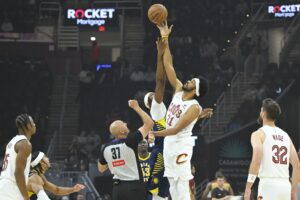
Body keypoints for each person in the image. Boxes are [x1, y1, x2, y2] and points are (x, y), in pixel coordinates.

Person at [151, 21, 213, 200]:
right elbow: (168, 65)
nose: (188, 81)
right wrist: (165, 38)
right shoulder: (178, 91)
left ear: (196, 90)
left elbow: (178, 129)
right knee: (172, 185)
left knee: (183, 187)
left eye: (192, 82)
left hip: (180, 146)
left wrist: (156, 133)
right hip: (170, 144)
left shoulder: (194, 107)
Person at [244, 98, 300, 200]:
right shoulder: (285, 135)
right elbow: (297, 165)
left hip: (268, 186)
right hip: (285, 186)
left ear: (264, 113)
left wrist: (248, 187)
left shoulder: (258, 134)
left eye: (261, 110)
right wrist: (293, 191)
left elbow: (256, 161)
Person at [98, 100, 154, 200]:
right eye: (123, 124)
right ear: (122, 131)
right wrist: (136, 107)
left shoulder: (105, 147)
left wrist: (115, 162)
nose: (125, 123)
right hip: (134, 188)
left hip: (117, 190)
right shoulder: (131, 140)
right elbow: (149, 123)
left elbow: (101, 169)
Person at [143, 37, 170, 200]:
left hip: (166, 149)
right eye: (153, 95)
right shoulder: (156, 107)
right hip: (161, 151)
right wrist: (160, 55)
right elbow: (160, 81)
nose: (157, 94)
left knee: (163, 190)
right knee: (154, 189)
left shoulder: (163, 110)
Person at [0, 114, 36, 200]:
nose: (35, 124)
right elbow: (18, 173)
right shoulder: (25, 143)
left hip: (4, 185)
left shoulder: (12, 141)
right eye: (33, 122)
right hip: (12, 189)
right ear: (28, 126)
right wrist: (26, 196)